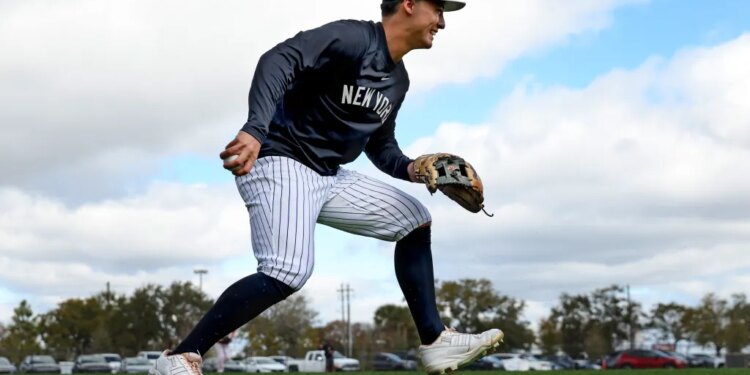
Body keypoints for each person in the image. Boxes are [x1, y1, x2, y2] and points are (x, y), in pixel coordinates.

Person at [150, 1, 503, 375]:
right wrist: (255, 128)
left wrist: (414, 169)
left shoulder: (399, 82)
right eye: (438, 9)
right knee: (288, 270)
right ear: (409, 4)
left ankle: (435, 341)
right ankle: (180, 357)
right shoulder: (353, 38)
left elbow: (381, 147)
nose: (443, 22)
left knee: (415, 219)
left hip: (328, 174)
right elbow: (279, 59)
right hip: (279, 158)